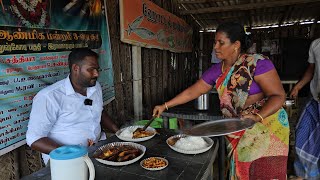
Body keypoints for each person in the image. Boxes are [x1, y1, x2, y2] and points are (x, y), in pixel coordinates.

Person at [153, 22, 289, 179]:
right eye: (215, 42)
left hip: (267, 127)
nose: (215, 47)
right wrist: (165, 105)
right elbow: (192, 92)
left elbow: (278, 96)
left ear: (236, 45)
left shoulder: (258, 64)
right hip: (239, 127)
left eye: (221, 42)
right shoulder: (216, 70)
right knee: (242, 171)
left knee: (263, 173)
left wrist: (257, 117)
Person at [26, 48, 119, 164]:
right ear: (76, 68)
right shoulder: (49, 97)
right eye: (91, 69)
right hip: (65, 159)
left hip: (97, 150)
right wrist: (74, 153)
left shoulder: (95, 87)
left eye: (97, 69)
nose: (96, 74)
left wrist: (119, 132)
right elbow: (34, 139)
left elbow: (99, 111)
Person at [289, 38, 320, 179]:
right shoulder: (316, 44)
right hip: (314, 100)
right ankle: (304, 175)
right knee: (302, 133)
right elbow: (311, 70)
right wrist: (298, 87)